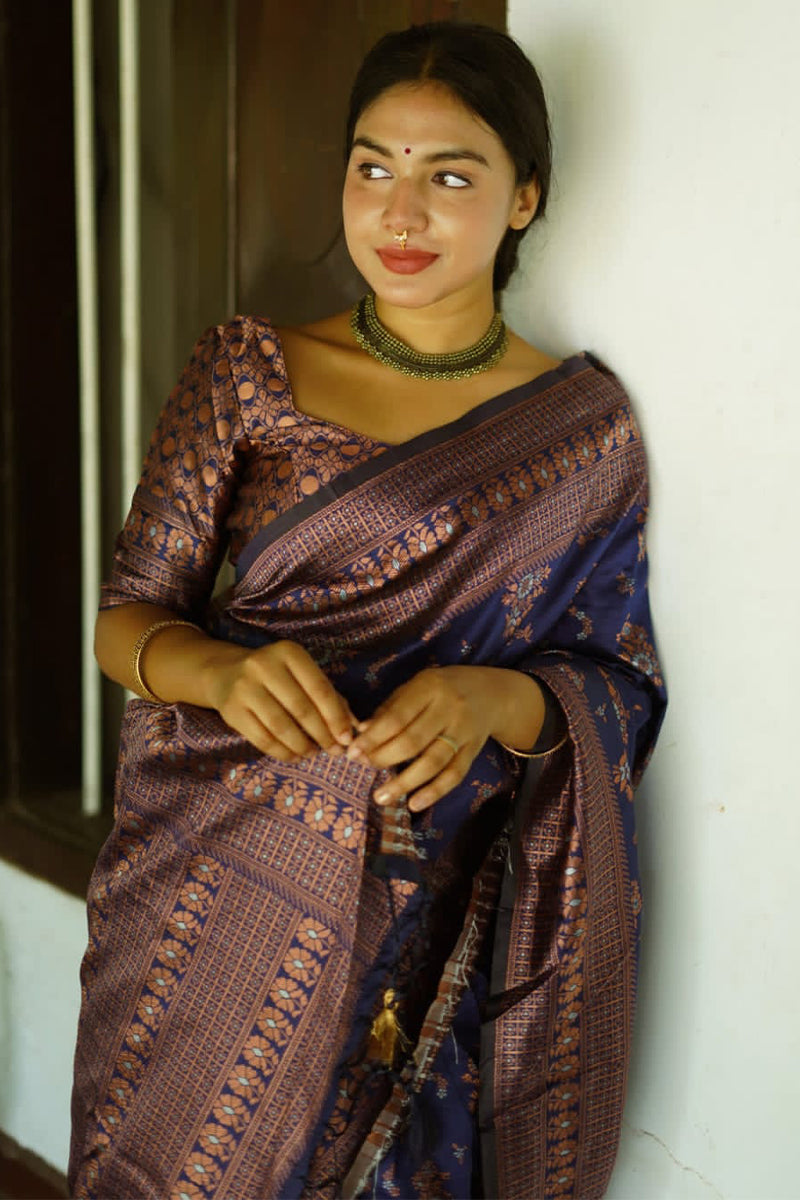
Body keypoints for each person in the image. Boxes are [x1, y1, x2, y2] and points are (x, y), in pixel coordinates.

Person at [69, 20, 665, 1200]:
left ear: (524, 198)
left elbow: (619, 684)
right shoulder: (250, 370)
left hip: (441, 921)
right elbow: (125, 621)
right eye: (371, 166)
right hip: (214, 898)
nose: (399, 213)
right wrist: (223, 674)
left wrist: (493, 697)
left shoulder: (579, 435)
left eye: (449, 176)